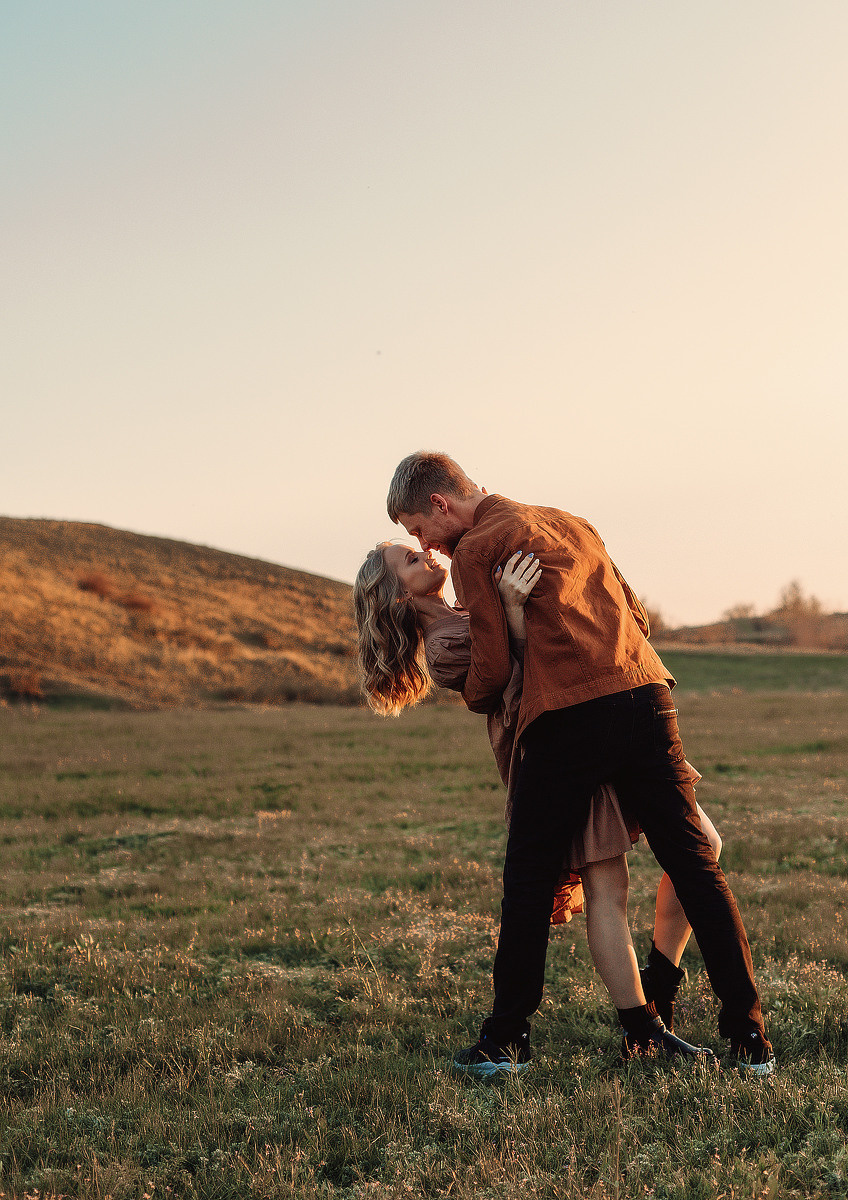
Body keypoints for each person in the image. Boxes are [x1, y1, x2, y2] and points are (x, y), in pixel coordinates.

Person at [385, 451, 775, 1076]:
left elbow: (488, 679)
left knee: (529, 880)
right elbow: (636, 615)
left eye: (417, 528)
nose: (424, 543)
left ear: (439, 503)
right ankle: (750, 1041)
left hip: (564, 718)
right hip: (646, 694)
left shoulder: (478, 551)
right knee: (697, 867)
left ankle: (505, 1040)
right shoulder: (571, 521)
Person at [354, 541, 722, 1068]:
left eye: (420, 549)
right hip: (555, 754)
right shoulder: (442, 646)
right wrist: (509, 610)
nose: (427, 556)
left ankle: (661, 984)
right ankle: (642, 1029)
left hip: (605, 727)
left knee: (704, 846)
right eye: (411, 561)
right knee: (607, 886)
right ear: (393, 596)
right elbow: (519, 681)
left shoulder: (468, 604)